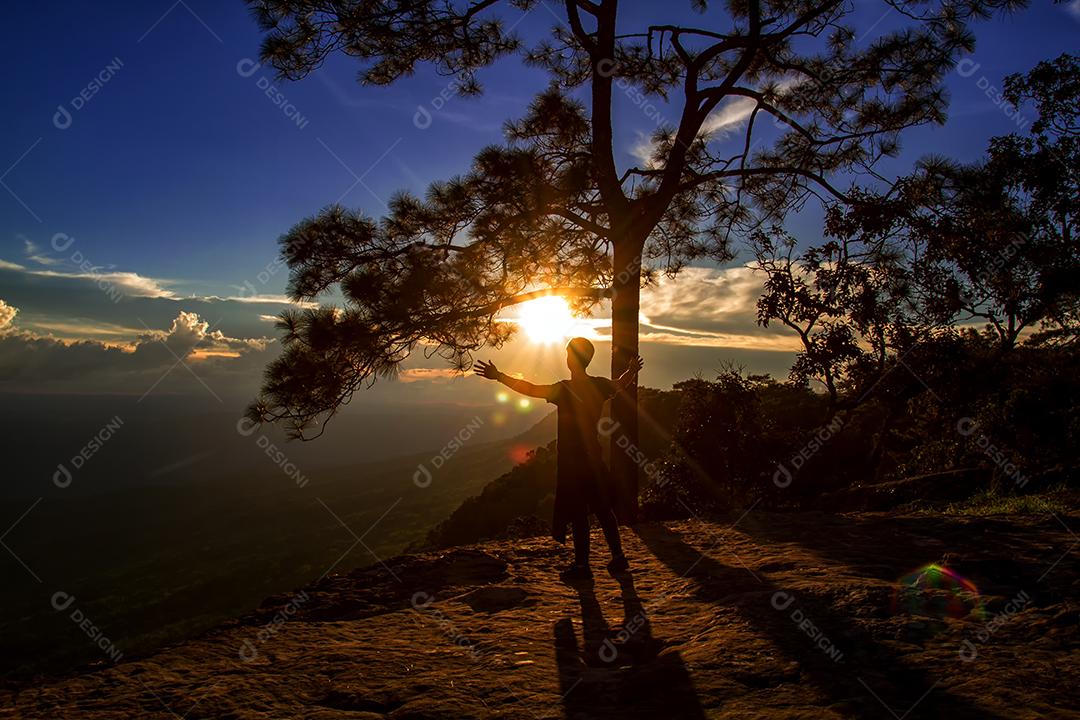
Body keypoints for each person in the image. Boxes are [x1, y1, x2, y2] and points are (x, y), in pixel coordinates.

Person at [475, 337, 644, 580]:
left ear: (571, 359)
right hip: (593, 457)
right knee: (603, 509)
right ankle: (618, 557)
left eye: (568, 354)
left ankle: (582, 567)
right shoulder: (599, 385)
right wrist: (632, 370)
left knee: (578, 513)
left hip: (572, 462)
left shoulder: (564, 389)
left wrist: (499, 376)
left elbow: (530, 389)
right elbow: (620, 384)